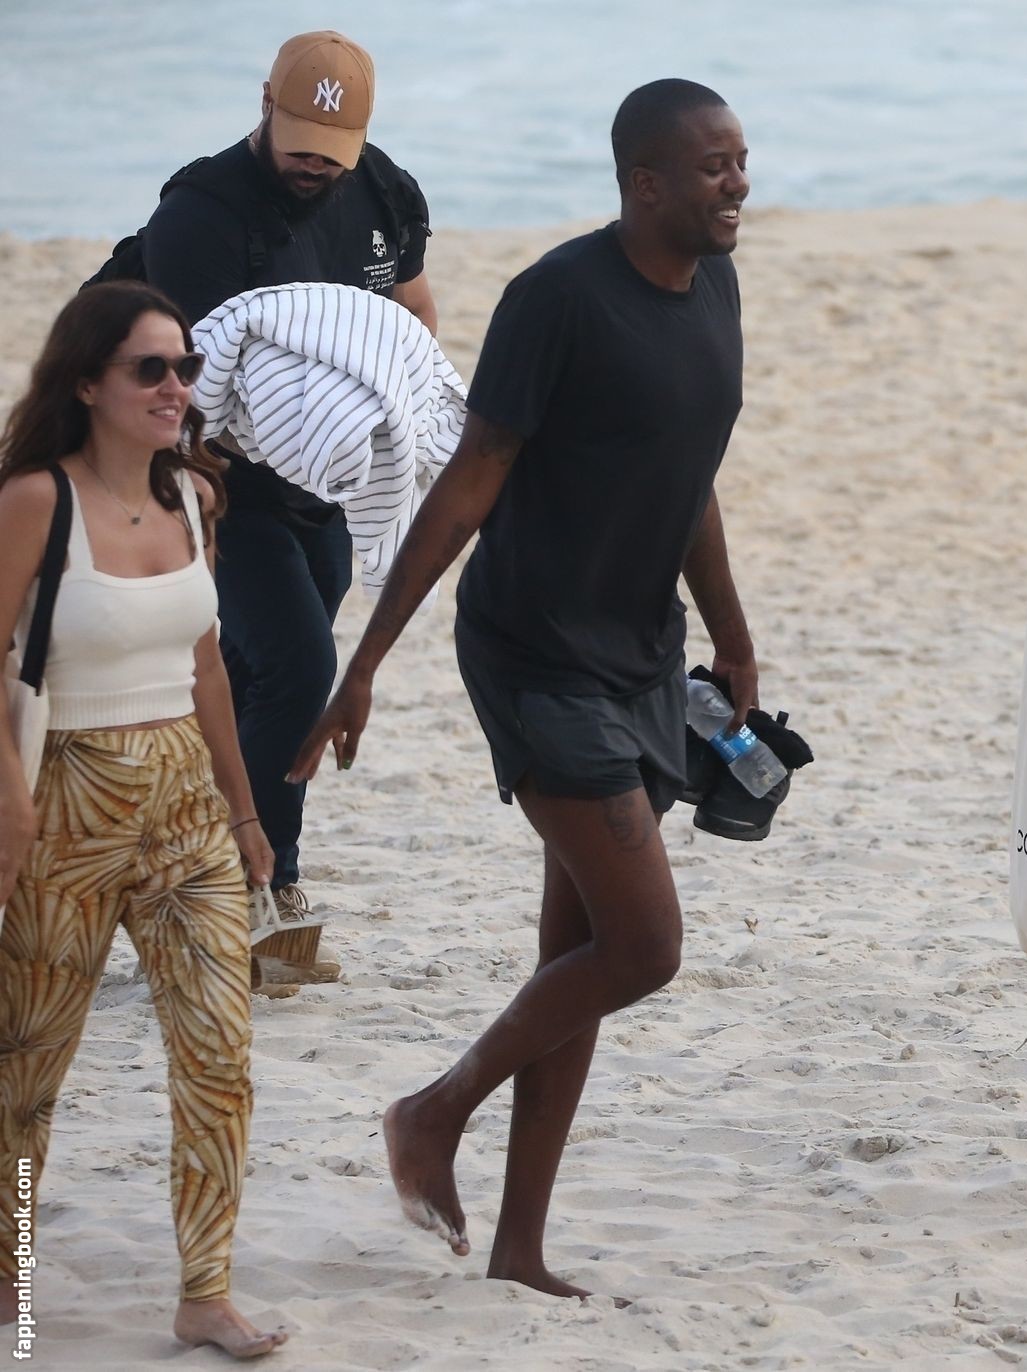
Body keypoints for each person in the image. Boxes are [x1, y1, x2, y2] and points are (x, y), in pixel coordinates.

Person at [289, 79, 755, 1296]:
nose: (738, 183)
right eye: (713, 166)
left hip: (641, 647)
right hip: (536, 654)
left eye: (741, 160)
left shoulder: (716, 285)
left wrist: (733, 634)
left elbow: (690, 474)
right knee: (643, 944)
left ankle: (518, 1246)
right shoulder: (557, 299)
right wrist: (365, 659)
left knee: (580, 948)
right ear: (643, 182)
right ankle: (432, 1112)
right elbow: (472, 478)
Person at [0, 282, 288, 1357]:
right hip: (65, 802)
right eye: (150, 369)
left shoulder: (194, 498)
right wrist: (13, 797)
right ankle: (11, 1268)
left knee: (219, 1053)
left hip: (184, 809)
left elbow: (207, 665)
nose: (176, 388)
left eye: (186, 368)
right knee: (27, 1068)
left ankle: (205, 1290)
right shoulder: (35, 499)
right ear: (87, 383)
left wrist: (246, 812)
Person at [137, 30, 435, 933]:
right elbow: (187, 384)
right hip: (220, 483)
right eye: (301, 140)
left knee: (246, 676)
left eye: (334, 150)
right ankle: (266, 886)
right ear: (265, 102)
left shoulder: (385, 192)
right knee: (302, 669)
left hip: (331, 483)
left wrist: (393, 416)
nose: (316, 162)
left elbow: (413, 309)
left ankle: (183, 873)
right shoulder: (201, 213)